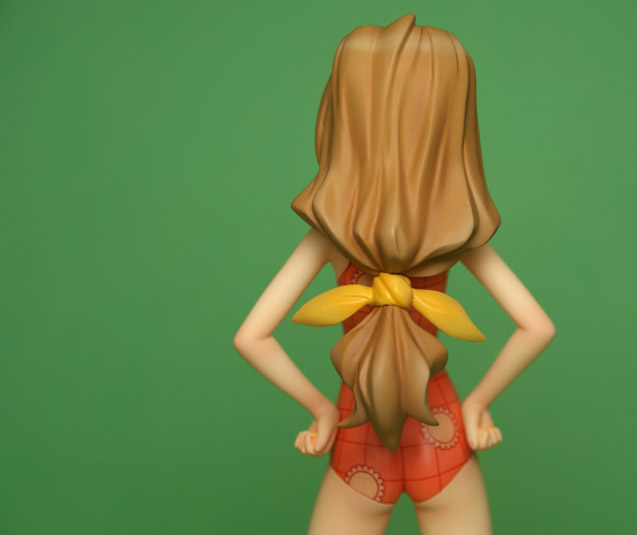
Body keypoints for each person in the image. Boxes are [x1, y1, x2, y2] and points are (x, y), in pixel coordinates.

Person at [233, 14, 556, 535]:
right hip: (442, 435)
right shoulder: (456, 235)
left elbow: (251, 337)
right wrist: (478, 403)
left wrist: (320, 409)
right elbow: (537, 327)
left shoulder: (328, 238)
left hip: (356, 441)